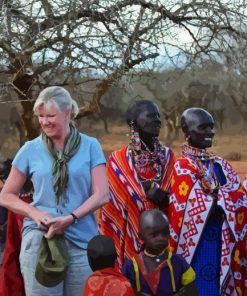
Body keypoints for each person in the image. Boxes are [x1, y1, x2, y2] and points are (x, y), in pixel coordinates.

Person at [0, 86, 109, 296]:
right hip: (40, 240)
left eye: (50, 115)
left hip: (81, 241)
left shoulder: (90, 146)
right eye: (40, 116)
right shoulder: (29, 149)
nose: (44, 122)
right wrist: (35, 213)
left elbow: (102, 194)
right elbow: (6, 195)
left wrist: (71, 218)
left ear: (68, 112)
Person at [168, 107, 247, 295]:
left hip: (224, 244)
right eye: (203, 127)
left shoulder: (221, 164)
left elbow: (240, 198)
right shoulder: (181, 167)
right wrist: (227, 198)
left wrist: (223, 198)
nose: (210, 131)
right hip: (196, 247)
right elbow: (196, 206)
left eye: (212, 127)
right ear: (187, 131)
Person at [99, 100, 175, 269]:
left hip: (164, 240)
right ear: (133, 122)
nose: (158, 120)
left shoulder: (169, 157)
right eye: (151, 115)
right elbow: (113, 206)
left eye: (158, 116)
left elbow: (177, 200)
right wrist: (143, 196)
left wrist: (164, 200)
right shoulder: (118, 160)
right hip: (130, 237)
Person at [121, 209, 197, 295]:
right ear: (141, 236)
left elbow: (192, 290)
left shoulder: (179, 262)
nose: (160, 238)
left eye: (165, 234)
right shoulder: (131, 266)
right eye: (154, 235)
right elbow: (123, 291)